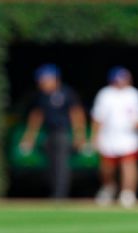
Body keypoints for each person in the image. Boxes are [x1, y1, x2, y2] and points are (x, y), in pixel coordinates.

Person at [18, 64, 88, 199]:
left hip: (63, 133)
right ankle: (54, 193)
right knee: (51, 165)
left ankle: (60, 195)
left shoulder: (67, 93)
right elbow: (36, 117)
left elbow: (77, 114)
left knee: (61, 165)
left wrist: (79, 135)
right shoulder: (42, 96)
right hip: (48, 134)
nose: (41, 83)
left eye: (44, 79)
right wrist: (29, 138)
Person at [91, 66, 138, 208]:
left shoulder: (134, 94)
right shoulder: (105, 94)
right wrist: (95, 137)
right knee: (107, 167)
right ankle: (108, 188)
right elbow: (98, 117)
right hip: (108, 137)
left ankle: (128, 193)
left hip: (128, 137)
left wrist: (137, 124)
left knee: (129, 164)